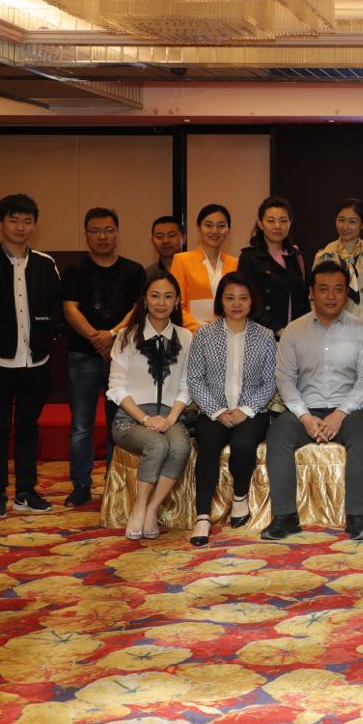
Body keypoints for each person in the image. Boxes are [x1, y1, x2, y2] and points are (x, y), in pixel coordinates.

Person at [0, 193, 64, 520]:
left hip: (36, 362)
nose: (20, 227)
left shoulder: (45, 264)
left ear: (34, 224)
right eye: (14, 220)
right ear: (1, 223)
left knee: (28, 427)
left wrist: (49, 336)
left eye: (27, 221)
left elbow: (58, 307)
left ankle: (26, 492)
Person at [263, 260, 363, 541]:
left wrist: (340, 413)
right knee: (278, 433)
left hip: (348, 410)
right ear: (311, 292)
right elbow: (285, 380)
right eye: (323, 289)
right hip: (306, 409)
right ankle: (285, 517)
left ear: (346, 293)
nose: (331, 296)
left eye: (338, 289)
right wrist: (304, 416)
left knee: (362, 433)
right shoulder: (294, 331)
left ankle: (357, 517)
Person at [61, 206, 146, 507]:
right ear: (86, 235)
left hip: (123, 358)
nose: (102, 236)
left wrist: (112, 335)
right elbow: (70, 309)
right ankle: (81, 484)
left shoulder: (134, 270)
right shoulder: (74, 270)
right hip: (83, 355)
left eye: (109, 230)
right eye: (95, 231)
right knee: (81, 425)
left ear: (118, 233)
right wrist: (96, 338)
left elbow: (137, 309)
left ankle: (115, 483)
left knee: (119, 424)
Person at [184, 271, 275, 547]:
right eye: (230, 298)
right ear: (220, 301)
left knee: (243, 444)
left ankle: (240, 497)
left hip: (251, 411)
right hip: (214, 411)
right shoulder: (204, 334)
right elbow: (194, 378)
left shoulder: (265, 336)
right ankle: (202, 516)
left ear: (252, 301)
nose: (237, 304)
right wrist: (217, 411)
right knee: (208, 445)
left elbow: (270, 381)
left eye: (243, 298)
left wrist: (245, 410)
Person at [106, 268, 192, 541]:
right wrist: (145, 419)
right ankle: (139, 508)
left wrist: (171, 418)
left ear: (176, 301)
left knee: (180, 446)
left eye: (168, 296)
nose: (161, 302)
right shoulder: (126, 336)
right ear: (144, 299)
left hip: (170, 415)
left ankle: (152, 508)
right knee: (157, 444)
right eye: (155, 296)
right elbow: (116, 388)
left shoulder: (186, 337)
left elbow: (187, 385)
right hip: (130, 418)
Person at [238, 196, 309, 335]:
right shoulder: (249, 258)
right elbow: (248, 300)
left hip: (297, 335)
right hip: (262, 335)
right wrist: (277, 330)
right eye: (271, 221)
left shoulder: (298, 257)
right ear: (260, 224)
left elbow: (305, 300)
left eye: (283, 221)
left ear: (290, 223)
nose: (277, 226)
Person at [314, 198, 363, 327]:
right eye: (341, 220)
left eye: (352, 221)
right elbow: (314, 298)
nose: (345, 227)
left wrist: (356, 331)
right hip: (328, 328)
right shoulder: (323, 256)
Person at [169, 204, 237, 332]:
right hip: (191, 333)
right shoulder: (182, 261)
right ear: (198, 228)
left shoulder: (236, 263)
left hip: (228, 332)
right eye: (208, 225)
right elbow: (175, 303)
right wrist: (201, 329)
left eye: (221, 226)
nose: (215, 231)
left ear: (228, 229)